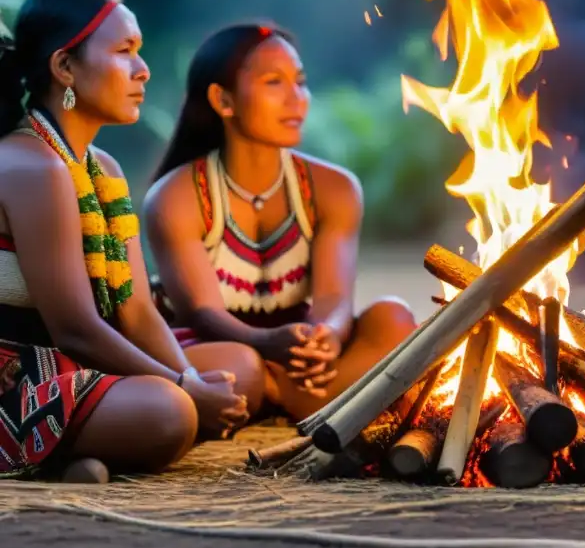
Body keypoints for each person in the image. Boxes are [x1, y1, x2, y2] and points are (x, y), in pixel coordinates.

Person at [0, 0, 253, 482]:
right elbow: (75, 327)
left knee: (238, 368)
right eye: (124, 51)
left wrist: (194, 381)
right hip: (15, 375)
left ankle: (78, 454)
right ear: (65, 67)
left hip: (74, 364)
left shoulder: (104, 169)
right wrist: (184, 390)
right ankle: (72, 454)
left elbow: (135, 311)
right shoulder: (31, 163)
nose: (144, 70)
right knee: (169, 412)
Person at [144, 23, 417, 422]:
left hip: (298, 356)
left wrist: (326, 338)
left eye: (301, 82)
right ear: (223, 99)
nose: (297, 98)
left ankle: (277, 396)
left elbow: (333, 301)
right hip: (216, 349)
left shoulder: (335, 188)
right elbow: (202, 312)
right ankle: (305, 399)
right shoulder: (175, 197)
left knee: (395, 320)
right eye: (275, 82)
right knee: (240, 367)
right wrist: (267, 343)